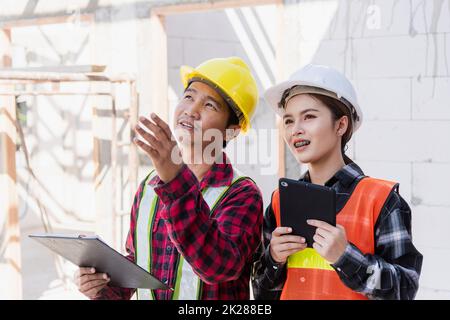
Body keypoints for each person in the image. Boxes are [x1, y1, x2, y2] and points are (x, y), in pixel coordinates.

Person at [75, 57, 263, 300]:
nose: (191, 111)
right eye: (189, 97)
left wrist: (175, 181)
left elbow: (219, 267)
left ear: (231, 131)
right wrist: (102, 288)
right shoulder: (150, 185)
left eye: (209, 106)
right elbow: (137, 260)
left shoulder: (242, 194)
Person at [252, 64, 423, 300]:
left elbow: (405, 289)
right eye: (289, 121)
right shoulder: (280, 202)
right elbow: (261, 295)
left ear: (341, 125)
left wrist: (345, 257)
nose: (295, 130)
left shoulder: (381, 200)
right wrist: (274, 259)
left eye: (309, 116)